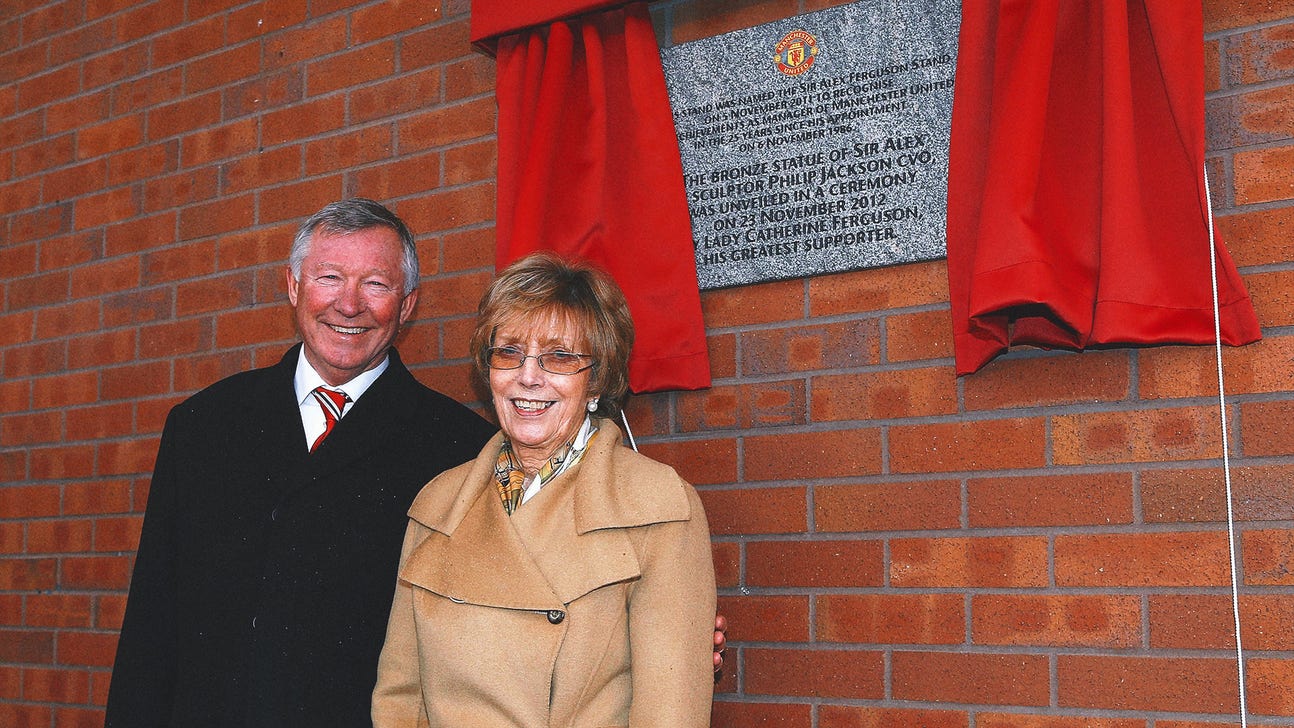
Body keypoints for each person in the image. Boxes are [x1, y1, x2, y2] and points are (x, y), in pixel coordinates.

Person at [105, 199, 499, 728]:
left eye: (376, 285)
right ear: (293, 287)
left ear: (407, 305)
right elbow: (152, 628)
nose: (349, 304)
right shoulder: (202, 426)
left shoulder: (461, 449)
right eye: (329, 277)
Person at [371, 252, 717, 726]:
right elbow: (399, 696)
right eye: (508, 353)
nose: (528, 376)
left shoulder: (658, 507)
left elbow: (670, 711)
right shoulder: (437, 504)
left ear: (595, 382)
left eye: (559, 356)